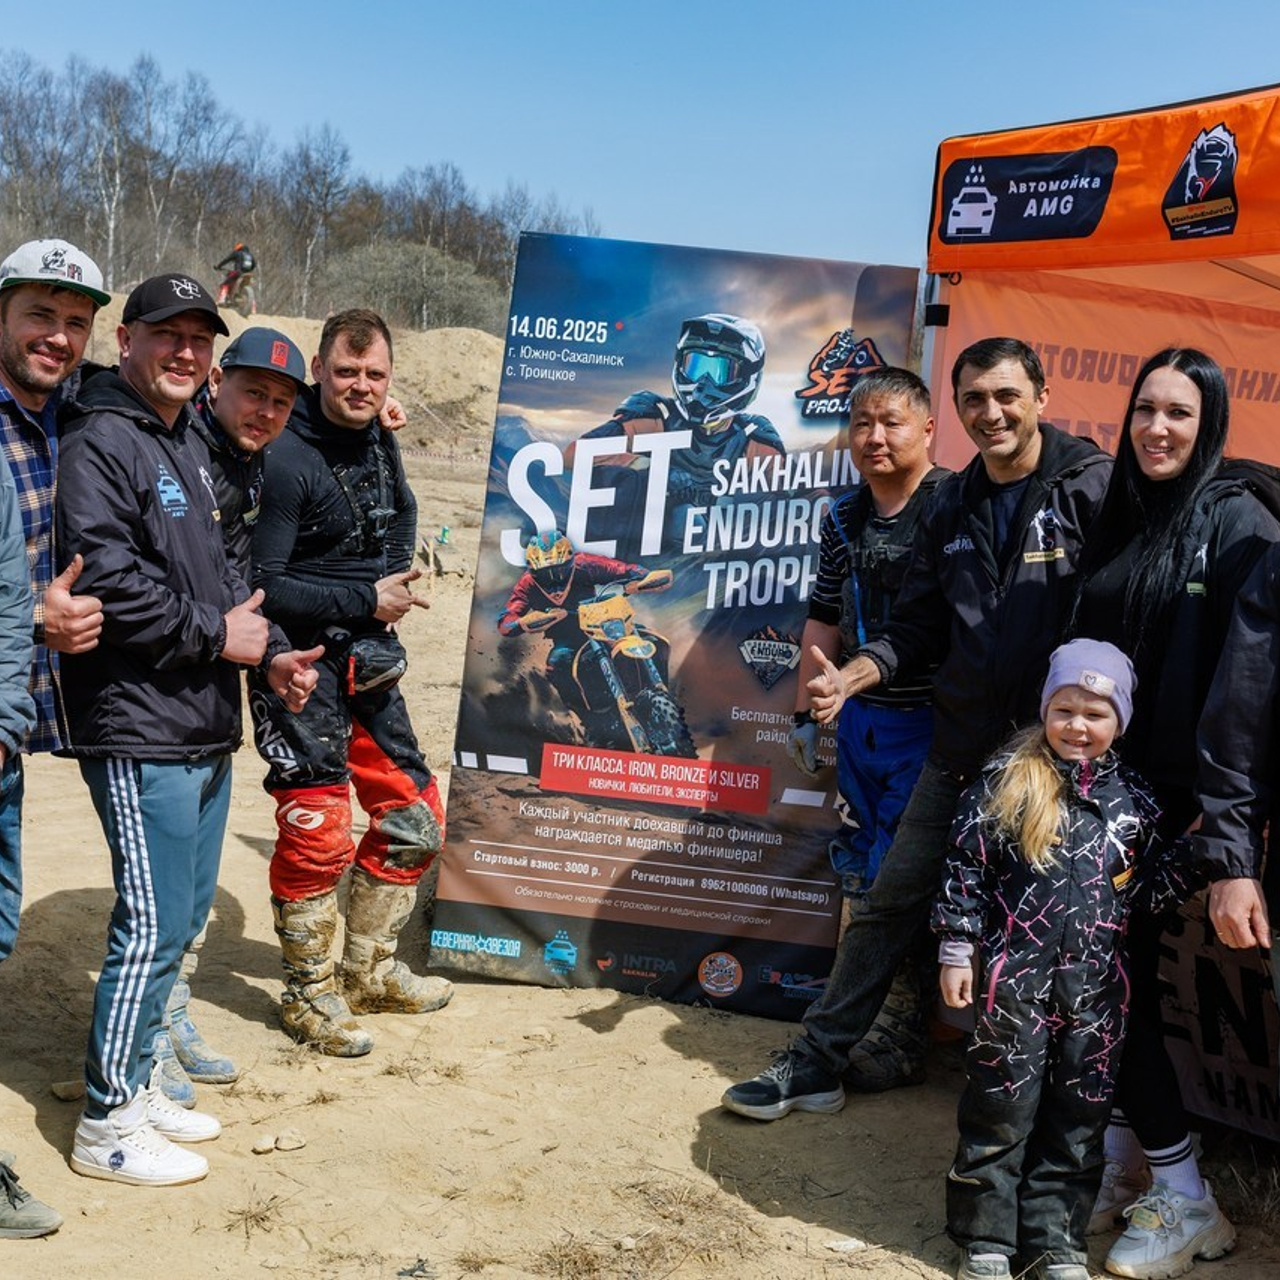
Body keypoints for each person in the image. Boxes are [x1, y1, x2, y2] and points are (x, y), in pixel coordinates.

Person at [721, 336, 1112, 1121]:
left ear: (1041, 395)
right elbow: (917, 628)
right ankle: (817, 1062)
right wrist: (846, 681)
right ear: (957, 410)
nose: (991, 413)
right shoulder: (954, 504)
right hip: (963, 748)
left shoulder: (1091, 488)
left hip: (1063, 758)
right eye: (976, 399)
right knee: (887, 902)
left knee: (1062, 934)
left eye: (1006, 396)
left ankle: (1074, 1118)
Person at [56, 273, 320, 1186]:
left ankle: (140, 1088)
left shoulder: (184, 447)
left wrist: (270, 652)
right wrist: (221, 635)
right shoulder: (102, 437)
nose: (184, 352)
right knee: (149, 926)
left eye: (199, 339)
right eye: (166, 335)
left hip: (201, 720)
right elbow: (107, 579)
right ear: (125, 340)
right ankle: (107, 1122)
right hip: (137, 723)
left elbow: (232, 583)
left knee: (180, 922)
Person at [1069, 348, 1277, 1278]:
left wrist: (1225, 821)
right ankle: (1127, 1160)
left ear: (1211, 425)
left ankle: (1187, 1194)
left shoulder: (1234, 523)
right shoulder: (1120, 510)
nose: (1158, 429)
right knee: (1115, 979)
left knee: (1109, 981)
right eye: (1146, 409)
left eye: (1180, 415)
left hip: (1178, 808)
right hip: (1104, 794)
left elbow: (1247, 688)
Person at [936, 639, 1202, 1280]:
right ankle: (985, 1241)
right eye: (1064, 710)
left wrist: (1200, 850)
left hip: (1097, 994)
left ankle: (1055, 1242)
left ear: (1121, 722)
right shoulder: (1005, 781)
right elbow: (964, 868)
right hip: (1012, 987)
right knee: (1000, 1111)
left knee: (1078, 1120)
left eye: (1096, 714)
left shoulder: (1135, 802)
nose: (1078, 726)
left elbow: (1145, 894)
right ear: (1045, 708)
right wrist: (956, 949)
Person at [249, 308, 450, 1058]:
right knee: (318, 830)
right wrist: (367, 598)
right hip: (296, 666)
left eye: (374, 375)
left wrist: (386, 589)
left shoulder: (377, 435)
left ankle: (368, 971)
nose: (361, 386)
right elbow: (264, 582)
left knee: (415, 817)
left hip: (367, 660)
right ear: (318, 372)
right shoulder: (285, 455)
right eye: (346, 373)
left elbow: (392, 519)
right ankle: (307, 994)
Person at [134, 326, 311, 1108]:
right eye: (253, 392)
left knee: (192, 891)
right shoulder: (178, 445)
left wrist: (270, 653)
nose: (264, 410)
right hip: (148, 701)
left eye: (280, 401)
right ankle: (139, 1046)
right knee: (161, 898)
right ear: (217, 385)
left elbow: (239, 582)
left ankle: (170, 1018)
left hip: (206, 699)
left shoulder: (252, 463)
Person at [787, 366, 948, 1091]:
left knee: (905, 878)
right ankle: (860, 1016)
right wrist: (802, 711)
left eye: (892, 423)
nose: (876, 438)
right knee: (859, 865)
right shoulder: (844, 516)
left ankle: (902, 1030)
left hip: (933, 725)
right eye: (862, 423)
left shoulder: (954, 505)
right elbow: (823, 613)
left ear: (926, 428)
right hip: (860, 725)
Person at [0, 236, 111, 1235]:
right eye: (41, 311)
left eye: (75, 320)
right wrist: (30, 610)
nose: (58, 335)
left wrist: (372, 429)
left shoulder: (68, 410)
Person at [564, 313, 782, 551]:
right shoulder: (656, 416)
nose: (703, 383)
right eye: (696, 366)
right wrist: (651, 471)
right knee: (682, 517)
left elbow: (794, 496)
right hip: (638, 550)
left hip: (715, 559)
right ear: (681, 365)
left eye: (719, 371)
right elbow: (576, 454)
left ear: (746, 377)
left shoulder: (754, 436)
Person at [498, 529, 672, 747]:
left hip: (607, 626)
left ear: (570, 562)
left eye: (559, 570)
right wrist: (524, 621)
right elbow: (506, 620)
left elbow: (622, 569)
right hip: (570, 640)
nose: (554, 579)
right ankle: (592, 722)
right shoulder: (527, 584)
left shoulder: (585, 564)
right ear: (533, 571)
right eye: (545, 574)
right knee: (557, 664)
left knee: (654, 640)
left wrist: (643, 578)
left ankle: (662, 695)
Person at [214, 243, 255, 313]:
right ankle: (253, 309)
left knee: (225, 284)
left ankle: (222, 300)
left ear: (238, 248)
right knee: (247, 287)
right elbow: (254, 265)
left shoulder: (237, 253)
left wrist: (218, 266)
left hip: (238, 273)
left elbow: (227, 259)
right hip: (249, 274)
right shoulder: (250, 255)